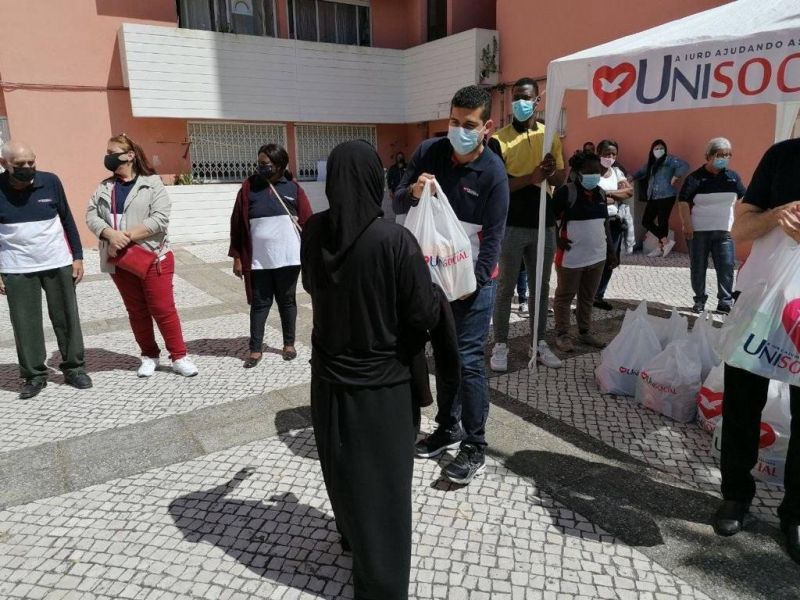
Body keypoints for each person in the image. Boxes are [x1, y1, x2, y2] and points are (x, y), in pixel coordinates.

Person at [301, 140, 448, 599]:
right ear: (375, 181)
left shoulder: (314, 230)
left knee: (342, 469)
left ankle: (352, 538)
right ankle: (381, 585)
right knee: (383, 489)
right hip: (382, 387)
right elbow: (423, 314)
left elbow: (311, 284)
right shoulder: (393, 240)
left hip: (328, 379)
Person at [395, 85, 510, 484]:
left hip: (473, 283)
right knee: (443, 356)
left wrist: (472, 285)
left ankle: (475, 444)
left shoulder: (494, 174)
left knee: (469, 360)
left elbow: (494, 239)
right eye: (454, 122)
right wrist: (411, 190)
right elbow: (396, 200)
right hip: (432, 277)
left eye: (469, 125)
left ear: (487, 127)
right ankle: (447, 427)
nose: (459, 131)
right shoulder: (429, 152)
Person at [713, 137, 800, 566]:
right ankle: (735, 495)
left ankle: (796, 514)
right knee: (742, 402)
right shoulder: (782, 156)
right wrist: (776, 216)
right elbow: (740, 228)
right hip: (765, 304)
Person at [86, 134, 198, 378]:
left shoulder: (152, 183)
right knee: (136, 311)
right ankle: (149, 355)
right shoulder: (105, 187)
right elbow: (91, 216)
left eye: (112, 151)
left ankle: (179, 356)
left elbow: (160, 219)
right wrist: (108, 234)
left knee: (163, 308)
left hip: (152, 257)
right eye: (107, 152)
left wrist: (123, 236)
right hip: (119, 259)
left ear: (130, 155)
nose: (108, 156)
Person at [0, 140, 92, 399]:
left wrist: (77, 256)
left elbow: (67, 218)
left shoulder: (50, 181)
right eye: (20, 165)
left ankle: (74, 368)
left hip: (57, 262)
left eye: (31, 162)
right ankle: (34, 375)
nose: (27, 167)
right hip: (16, 267)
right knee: (25, 323)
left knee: (67, 318)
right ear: (4, 164)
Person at [487, 77, 565, 373]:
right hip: (512, 224)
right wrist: (531, 178)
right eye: (515, 96)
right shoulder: (498, 140)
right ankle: (501, 343)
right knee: (506, 287)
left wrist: (549, 172)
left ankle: (539, 342)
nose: (520, 102)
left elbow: (560, 177)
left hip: (544, 224)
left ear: (536, 101)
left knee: (541, 287)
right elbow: (498, 186)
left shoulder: (550, 136)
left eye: (525, 97)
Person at [229, 144, 313, 367]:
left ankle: (289, 344)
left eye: (265, 164)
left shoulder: (294, 188)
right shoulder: (249, 188)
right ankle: (255, 349)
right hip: (258, 260)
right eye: (259, 163)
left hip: (289, 259)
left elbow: (308, 221)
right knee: (260, 304)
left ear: (280, 165)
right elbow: (237, 224)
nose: (261, 167)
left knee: (287, 301)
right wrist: (237, 256)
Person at [552, 151, 617, 352]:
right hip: (571, 256)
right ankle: (562, 334)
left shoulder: (600, 193)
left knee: (587, 297)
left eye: (597, 171)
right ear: (578, 172)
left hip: (596, 256)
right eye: (589, 171)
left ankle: (584, 331)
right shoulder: (566, 192)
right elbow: (549, 219)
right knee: (565, 297)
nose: (594, 175)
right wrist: (557, 240)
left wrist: (611, 251)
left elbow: (605, 223)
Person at [677, 137, 746, 314]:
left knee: (726, 267)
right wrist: (687, 225)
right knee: (698, 268)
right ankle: (699, 300)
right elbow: (683, 202)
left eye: (728, 155)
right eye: (720, 155)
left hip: (724, 232)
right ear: (709, 156)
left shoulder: (733, 177)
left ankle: (724, 302)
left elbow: (745, 199)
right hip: (698, 232)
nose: (724, 158)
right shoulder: (695, 178)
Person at [631, 139, 689, 257]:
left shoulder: (669, 160)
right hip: (653, 196)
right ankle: (665, 242)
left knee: (663, 221)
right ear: (652, 151)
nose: (659, 150)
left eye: (661, 148)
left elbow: (684, 165)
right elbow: (641, 172)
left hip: (667, 195)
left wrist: (676, 176)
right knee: (646, 221)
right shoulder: (651, 164)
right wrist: (630, 178)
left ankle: (660, 247)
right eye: (656, 148)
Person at [593, 139, 633, 311]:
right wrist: (617, 195)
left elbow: (629, 191)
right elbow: (593, 197)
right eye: (606, 154)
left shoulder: (616, 172)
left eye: (613, 154)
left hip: (613, 222)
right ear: (598, 154)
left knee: (611, 259)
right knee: (594, 260)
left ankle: (598, 295)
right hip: (595, 222)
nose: (610, 157)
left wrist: (608, 193)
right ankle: (587, 295)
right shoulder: (592, 173)